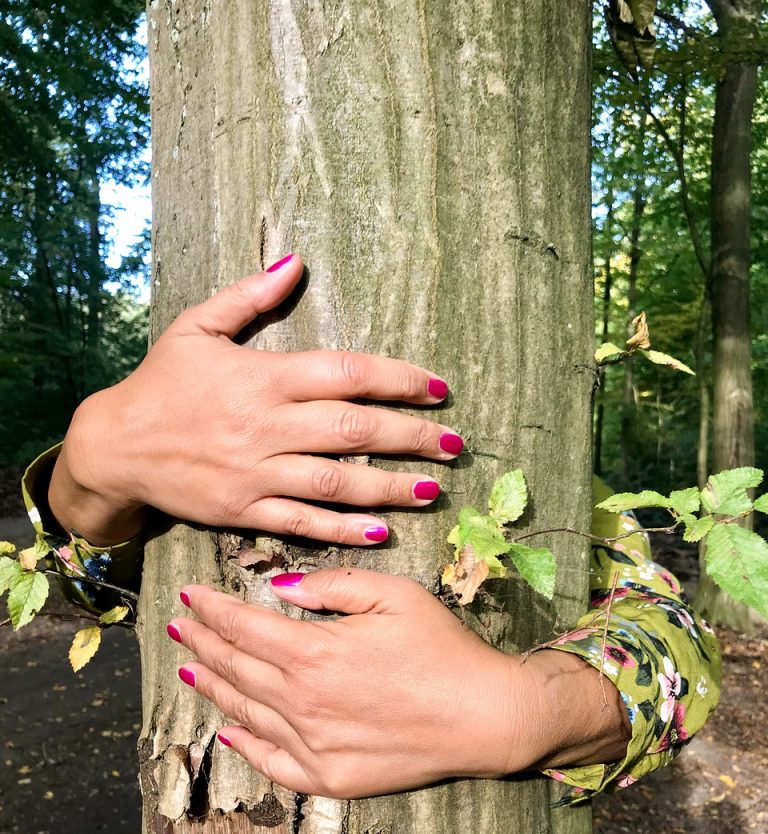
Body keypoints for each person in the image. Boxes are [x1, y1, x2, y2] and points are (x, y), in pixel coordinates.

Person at [22, 254, 721, 803]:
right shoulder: (175, 389)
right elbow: (93, 590)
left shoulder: (561, 481)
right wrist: (91, 467)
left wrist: (530, 715)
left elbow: (677, 636)